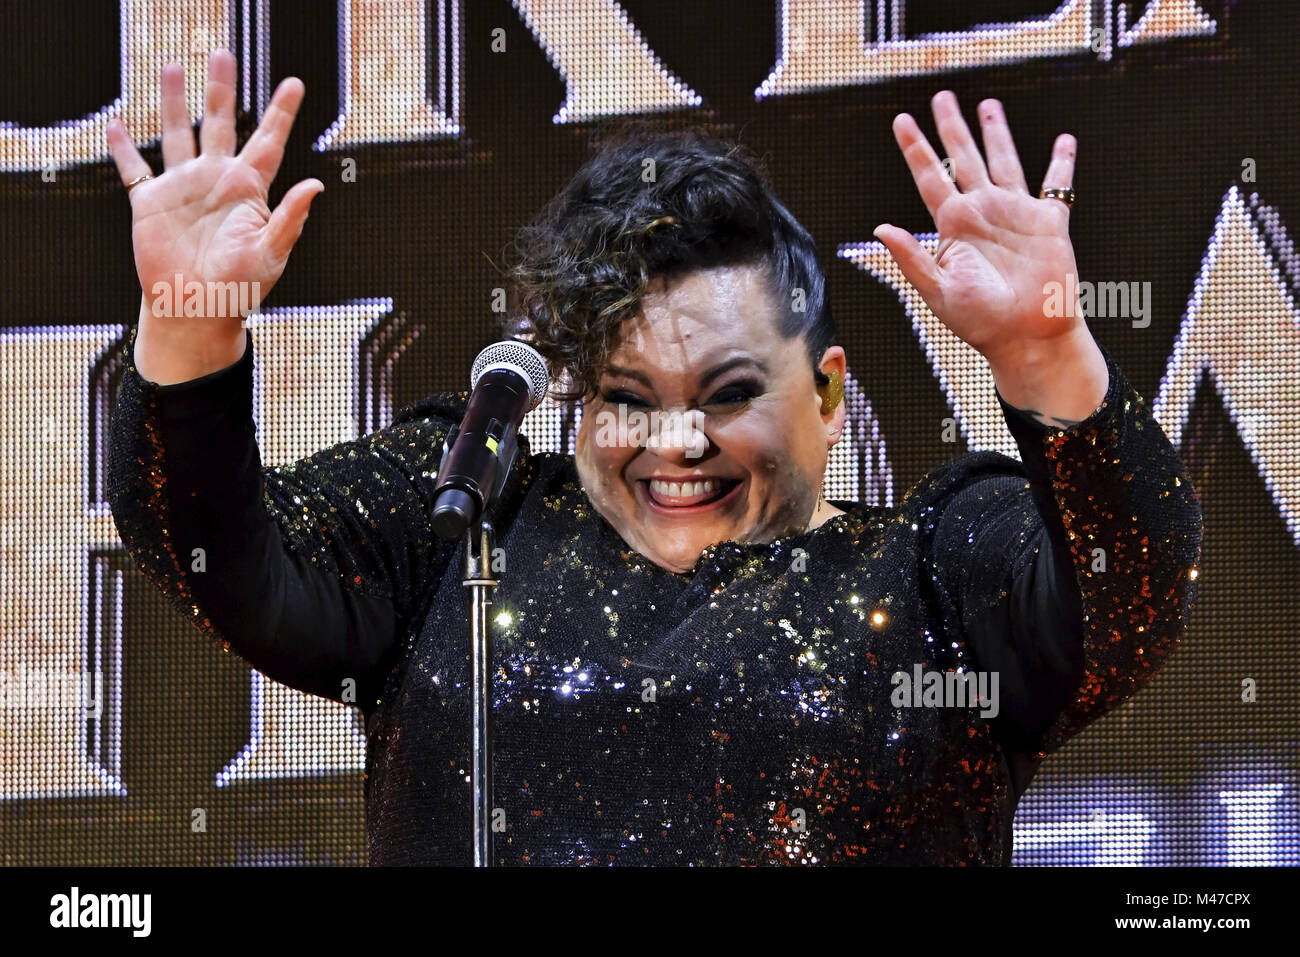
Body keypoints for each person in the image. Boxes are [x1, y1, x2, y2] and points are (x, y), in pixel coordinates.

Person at [106, 50, 1203, 865]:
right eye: (628, 401)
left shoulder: (934, 569)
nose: (678, 442)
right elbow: (221, 556)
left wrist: (1047, 356)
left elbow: (1126, 598)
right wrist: (192, 333)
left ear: (827, 392)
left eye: (729, 395)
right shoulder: (458, 521)